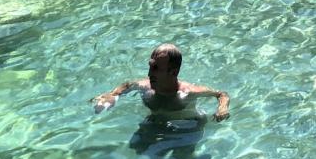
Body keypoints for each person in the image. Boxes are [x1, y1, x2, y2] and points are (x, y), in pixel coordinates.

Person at [91, 44, 230, 121]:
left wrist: (222, 108)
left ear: (173, 72)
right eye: (150, 66)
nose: (149, 73)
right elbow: (127, 85)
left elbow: (221, 94)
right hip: (157, 122)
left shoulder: (189, 93)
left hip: (189, 126)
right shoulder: (145, 86)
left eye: (156, 68)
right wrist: (113, 95)